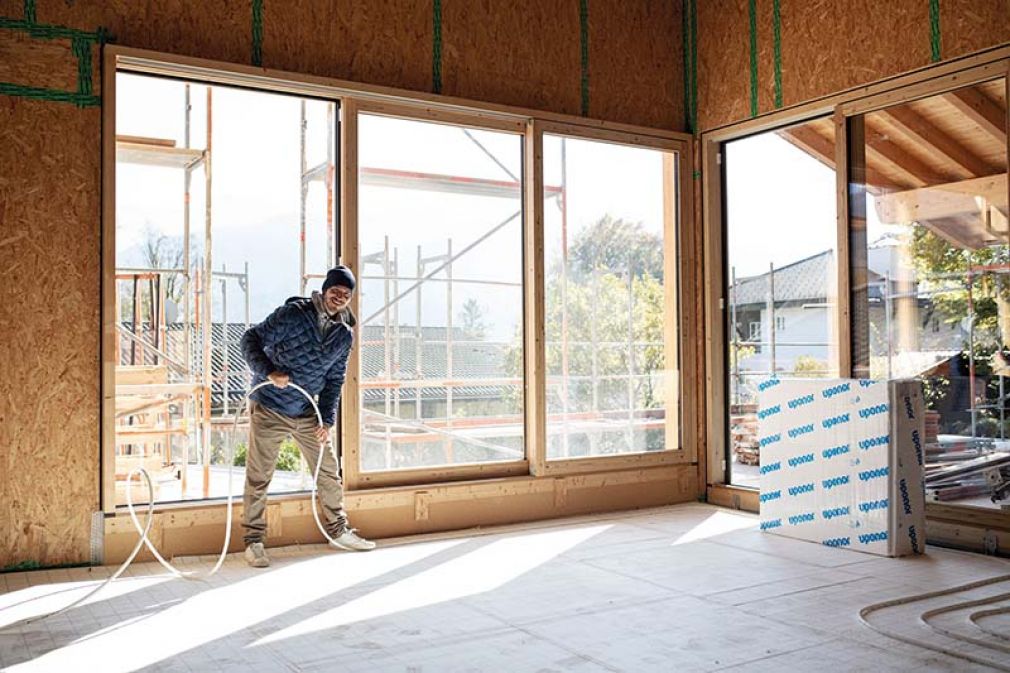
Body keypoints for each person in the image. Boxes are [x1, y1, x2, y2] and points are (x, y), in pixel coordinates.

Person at [239, 265, 375, 568]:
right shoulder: (293, 315)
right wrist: (268, 371)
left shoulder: (344, 335)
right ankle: (254, 542)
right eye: (335, 290)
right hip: (269, 407)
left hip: (305, 411)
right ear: (325, 289)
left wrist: (327, 420)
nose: (339, 296)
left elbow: (335, 380)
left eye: (346, 293)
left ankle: (338, 531)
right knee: (259, 477)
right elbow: (249, 339)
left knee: (328, 470)